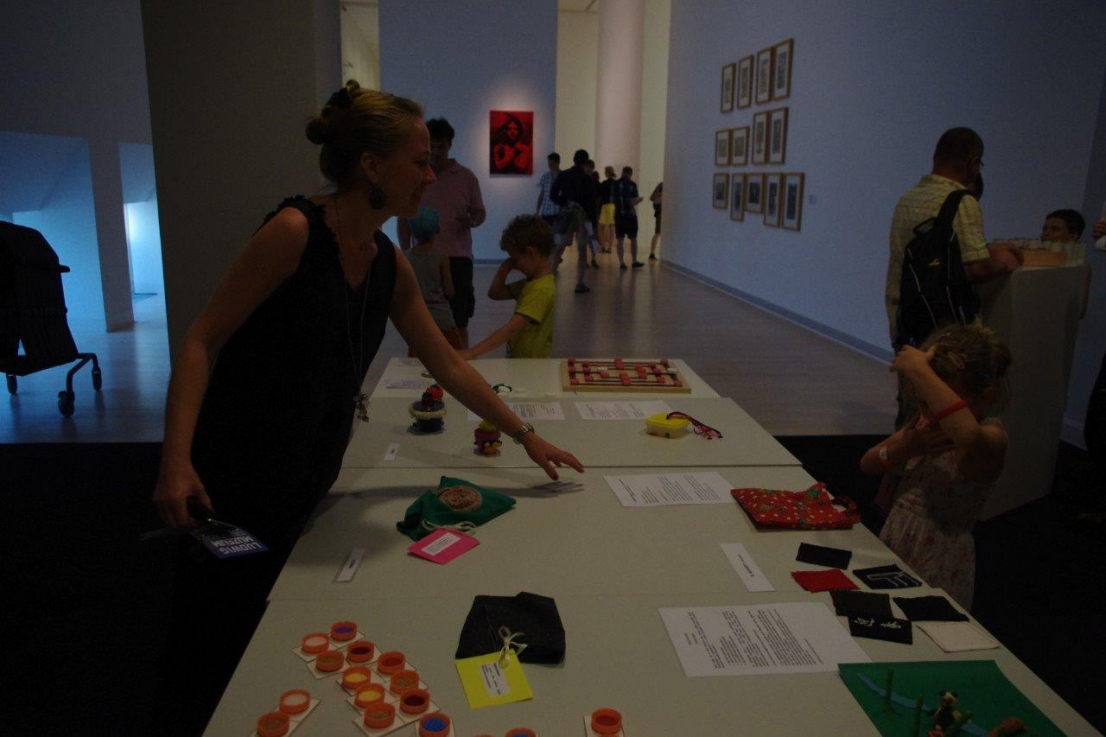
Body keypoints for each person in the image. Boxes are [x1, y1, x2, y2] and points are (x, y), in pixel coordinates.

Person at [151, 83, 582, 728]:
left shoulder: (388, 262)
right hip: (236, 471)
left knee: (275, 621)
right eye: (420, 162)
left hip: (309, 466)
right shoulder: (294, 232)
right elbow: (200, 339)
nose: (431, 175)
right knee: (216, 619)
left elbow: (448, 365)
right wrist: (175, 460)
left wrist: (525, 435)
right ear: (372, 166)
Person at [860, 324, 1011, 610]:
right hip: (897, 540)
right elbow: (868, 462)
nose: (930, 412)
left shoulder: (991, 437)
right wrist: (904, 448)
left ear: (985, 396)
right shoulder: (925, 426)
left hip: (940, 562)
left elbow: (967, 435)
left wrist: (920, 370)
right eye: (923, 401)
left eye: (938, 401)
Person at [886, 127, 1020, 427]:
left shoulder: (909, 197)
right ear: (972, 163)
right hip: (946, 323)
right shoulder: (961, 200)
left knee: (911, 399)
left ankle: (902, 450)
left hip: (907, 314)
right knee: (945, 406)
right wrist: (1005, 261)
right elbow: (977, 268)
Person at [398, 117, 485, 348]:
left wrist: (471, 221)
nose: (436, 152)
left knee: (459, 319)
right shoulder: (414, 176)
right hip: (423, 259)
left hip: (458, 258)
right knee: (420, 318)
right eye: (432, 146)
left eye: (441, 146)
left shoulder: (466, 177)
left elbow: (480, 212)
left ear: (450, 145)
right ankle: (424, 360)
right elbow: (403, 218)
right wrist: (407, 254)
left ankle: (461, 359)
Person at [460, 215, 556, 360]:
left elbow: (512, 329)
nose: (513, 263)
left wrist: (472, 352)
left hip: (531, 364)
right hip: (522, 359)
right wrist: (503, 271)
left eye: (515, 259)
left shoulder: (540, 289)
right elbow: (495, 293)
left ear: (531, 253)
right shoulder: (531, 282)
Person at [404, 206, 461, 353]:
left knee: (418, 362)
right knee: (452, 358)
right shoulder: (441, 257)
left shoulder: (406, 257)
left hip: (418, 320)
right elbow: (449, 292)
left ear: (412, 231)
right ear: (437, 229)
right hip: (443, 319)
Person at [550, 149, 599, 294]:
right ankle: (580, 282)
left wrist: (564, 202)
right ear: (585, 162)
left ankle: (548, 278)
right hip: (583, 216)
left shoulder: (563, 175)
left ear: (573, 159)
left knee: (559, 246)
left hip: (566, 213)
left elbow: (553, 195)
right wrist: (594, 224)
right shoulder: (588, 180)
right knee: (582, 249)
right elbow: (591, 204)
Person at [614, 166, 644, 269]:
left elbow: (612, 199)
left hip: (619, 215)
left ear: (622, 172)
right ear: (630, 174)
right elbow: (633, 201)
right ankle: (634, 261)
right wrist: (639, 200)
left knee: (620, 240)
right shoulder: (632, 184)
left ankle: (622, 263)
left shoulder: (615, 184)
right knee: (633, 239)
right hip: (630, 215)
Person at [535, 152, 561, 227]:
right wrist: (537, 210)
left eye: (552, 163)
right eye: (549, 163)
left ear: (558, 163)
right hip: (545, 212)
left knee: (557, 233)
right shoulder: (545, 177)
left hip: (558, 212)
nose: (550, 166)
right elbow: (542, 195)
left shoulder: (563, 176)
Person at [598, 166, 617, 254]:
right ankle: (610, 247)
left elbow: (600, 195)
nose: (604, 173)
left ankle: (603, 246)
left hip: (605, 206)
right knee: (612, 226)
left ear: (607, 172)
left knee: (601, 227)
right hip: (613, 206)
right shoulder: (616, 183)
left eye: (605, 171)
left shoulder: (604, 183)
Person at [649, 181, 663, 261]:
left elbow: (652, 198)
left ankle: (652, 253)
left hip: (659, 212)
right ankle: (652, 253)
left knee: (657, 233)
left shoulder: (661, 185)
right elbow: (652, 198)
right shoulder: (663, 185)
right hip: (660, 212)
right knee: (658, 233)